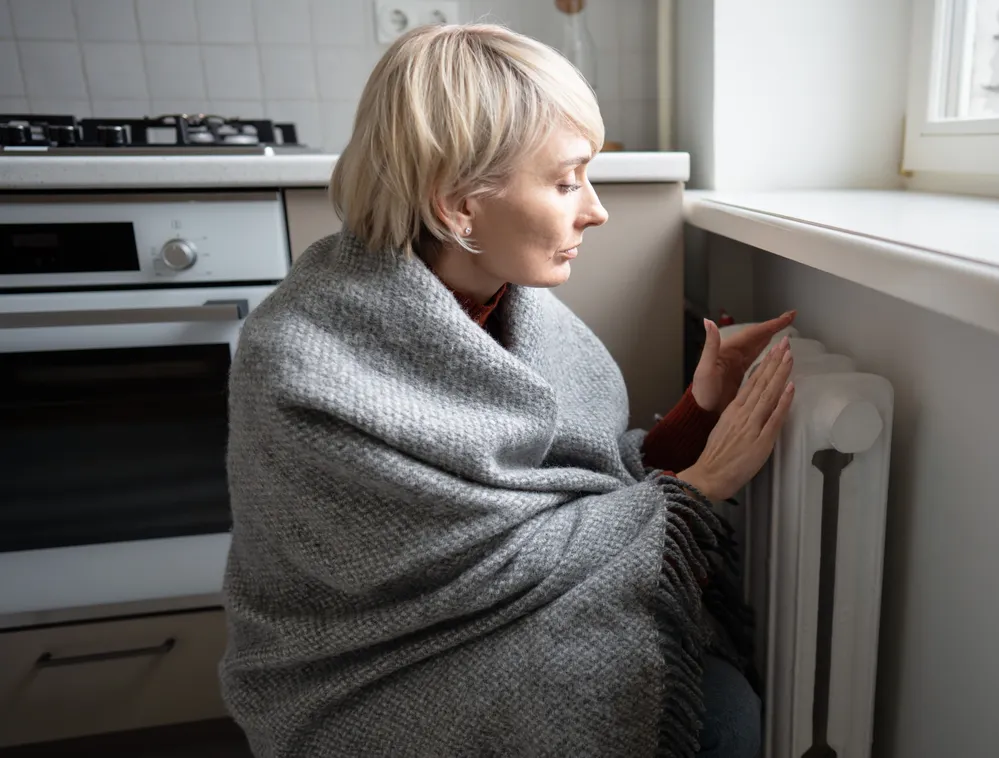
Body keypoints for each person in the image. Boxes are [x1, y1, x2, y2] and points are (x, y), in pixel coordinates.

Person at [219, 23, 796, 758]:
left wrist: (701, 405)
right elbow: (450, 568)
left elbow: (572, 486)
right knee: (719, 719)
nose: (594, 209)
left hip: (501, 617)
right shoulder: (303, 360)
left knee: (721, 702)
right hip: (385, 663)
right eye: (564, 182)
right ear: (458, 206)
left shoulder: (520, 308)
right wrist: (697, 493)